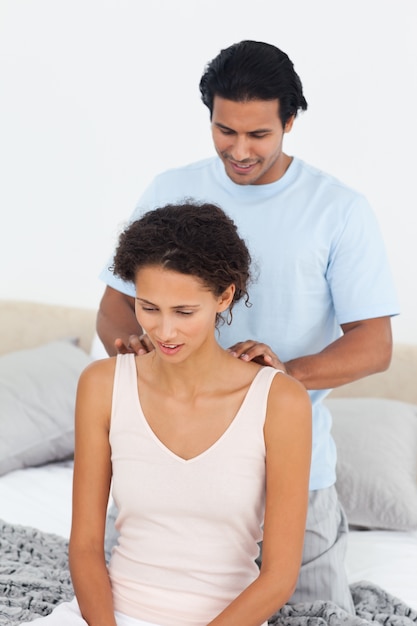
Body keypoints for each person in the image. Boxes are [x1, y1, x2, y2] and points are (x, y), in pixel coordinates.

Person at [96, 40, 400, 613]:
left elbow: (374, 345)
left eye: (258, 135)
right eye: (224, 131)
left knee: (316, 617)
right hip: (171, 460)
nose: (238, 150)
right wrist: (133, 348)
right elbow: (115, 304)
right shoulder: (169, 189)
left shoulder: (338, 210)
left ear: (290, 120)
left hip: (289, 465)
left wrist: (284, 373)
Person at [21, 202, 312, 626]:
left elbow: (279, 577)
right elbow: (84, 546)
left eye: (184, 312)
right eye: (149, 308)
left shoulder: (281, 402)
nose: (164, 332)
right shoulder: (102, 385)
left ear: (224, 296)